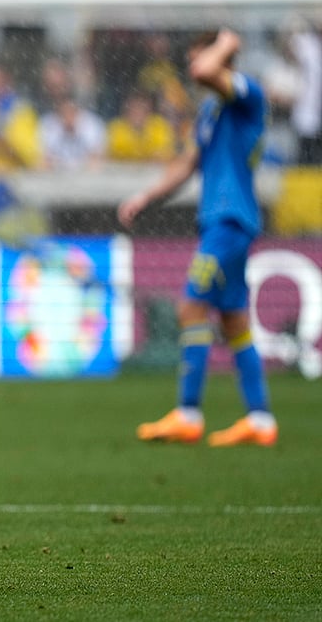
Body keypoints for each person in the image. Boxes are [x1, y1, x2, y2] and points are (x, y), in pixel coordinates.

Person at [117, 29, 277, 447]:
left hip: (231, 219)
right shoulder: (209, 112)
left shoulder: (248, 96)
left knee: (191, 305)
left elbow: (207, 68)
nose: (193, 71)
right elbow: (188, 164)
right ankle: (260, 420)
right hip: (218, 221)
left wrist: (226, 43)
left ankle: (188, 413)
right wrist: (146, 197)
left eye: (198, 60)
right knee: (234, 320)